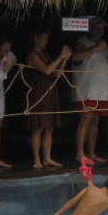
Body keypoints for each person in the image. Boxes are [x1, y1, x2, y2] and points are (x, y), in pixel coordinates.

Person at [24, 27, 71, 169]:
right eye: (44, 38)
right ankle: (36, 159)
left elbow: (56, 73)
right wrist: (60, 57)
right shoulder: (32, 55)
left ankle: (47, 158)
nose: (46, 41)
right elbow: (46, 70)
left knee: (49, 127)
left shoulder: (46, 54)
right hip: (39, 92)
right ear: (36, 39)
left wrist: (64, 60)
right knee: (39, 127)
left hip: (51, 91)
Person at [71, 16, 108, 163]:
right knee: (86, 118)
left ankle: (91, 153)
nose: (99, 31)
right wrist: (96, 47)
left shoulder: (104, 45)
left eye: (102, 28)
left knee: (95, 120)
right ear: (90, 27)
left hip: (101, 88)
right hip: (86, 88)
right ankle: (80, 153)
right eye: (97, 27)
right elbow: (76, 57)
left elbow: (104, 63)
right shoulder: (82, 42)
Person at [0, 34, 17, 169]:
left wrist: (6, 65)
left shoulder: (8, 57)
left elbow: (13, 57)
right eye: (5, 46)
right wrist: (4, 70)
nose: (7, 49)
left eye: (9, 47)